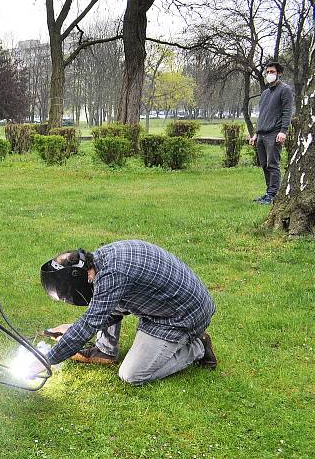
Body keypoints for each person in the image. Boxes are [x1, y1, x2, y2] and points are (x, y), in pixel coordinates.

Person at [39, 240, 217, 386]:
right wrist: (73, 331)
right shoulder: (98, 260)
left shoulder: (112, 276)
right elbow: (105, 310)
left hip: (181, 316)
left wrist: (47, 360)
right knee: (102, 305)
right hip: (167, 305)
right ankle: (105, 349)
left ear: (78, 277)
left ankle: (197, 347)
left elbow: (89, 323)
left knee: (131, 375)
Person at [249, 61, 294, 205]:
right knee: (264, 165)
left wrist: (283, 131)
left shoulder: (285, 90)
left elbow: (287, 112)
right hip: (261, 134)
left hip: (274, 134)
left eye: (272, 72)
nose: (269, 74)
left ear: (279, 73)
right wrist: (256, 133)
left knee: (272, 165)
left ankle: (273, 195)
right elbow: (262, 114)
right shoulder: (265, 93)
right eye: (267, 72)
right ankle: (268, 192)